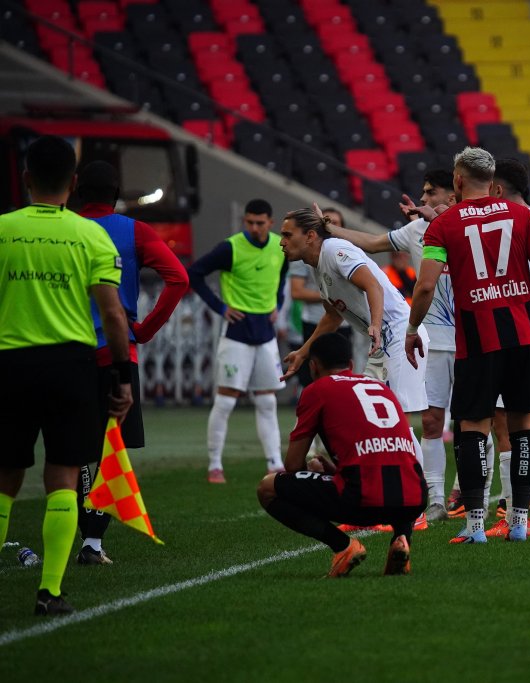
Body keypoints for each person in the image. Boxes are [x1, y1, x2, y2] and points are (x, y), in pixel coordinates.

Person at [0, 135, 132, 615]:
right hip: (71, 365)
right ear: (74, 184)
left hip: (10, 361)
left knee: (5, 476)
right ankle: (49, 591)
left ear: (26, 177)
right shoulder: (90, 235)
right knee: (63, 475)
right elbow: (113, 315)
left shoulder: (3, 229)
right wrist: (121, 376)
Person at [405, 146, 530, 544]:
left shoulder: (444, 224)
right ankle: (521, 523)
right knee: (524, 425)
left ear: (457, 180)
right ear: (492, 183)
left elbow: (425, 285)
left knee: (472, 427)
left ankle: (475, 525)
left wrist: (412, 328)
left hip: (477, 337)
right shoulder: (522, 215)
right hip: (524, 332)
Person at [73, 161, 189, 565]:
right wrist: (146, 329)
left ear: (75, 189)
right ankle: (92, 544)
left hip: (61, 353)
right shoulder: (132, 230)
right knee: (108, 452)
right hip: (115, 353)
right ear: (116, 193)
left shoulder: (62, 229)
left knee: (67, 453)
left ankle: (71, 539)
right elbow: (178, 278)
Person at [329, 169, 458, 521]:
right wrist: (331, 229)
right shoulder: (416, 230)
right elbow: (371, 243)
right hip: (428, 338)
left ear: (452, 195)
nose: (424, 198)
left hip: (472, 338)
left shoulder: (466, 227)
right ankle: (434, 500)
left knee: (473, 422)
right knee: (431, 421)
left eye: (431, 192)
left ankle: (475, 496)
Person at [278, 206, 430, 487]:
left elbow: (373, 285)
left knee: (396, 424)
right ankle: (375, 495)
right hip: (382, 342)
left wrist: (373, 323)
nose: (281, 241)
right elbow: (333, 316)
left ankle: (414, 503)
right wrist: (304, 351)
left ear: (310, 235)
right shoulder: (317, 265)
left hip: (400, 335)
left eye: (288, 234)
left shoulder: (335, 250)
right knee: (369, 422)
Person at [257, 334, 427, 576]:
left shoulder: (317, 390)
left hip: (363, 499)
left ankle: (344, 546)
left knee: (268, 488)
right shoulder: (379, 387)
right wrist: (337, 471)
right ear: (350, 364)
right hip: (415, 499)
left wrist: (316, 470)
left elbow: (292, 465)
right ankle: (400, 538)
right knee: (397, 471)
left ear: (313, 366)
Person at [484, 157, 530, 538]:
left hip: (514, 322)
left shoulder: (508, 219)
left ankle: (514, 511)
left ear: (498, 189)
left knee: (507, 422)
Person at [188, 199, 289, 483]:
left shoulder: (279, 246)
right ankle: (215, 465)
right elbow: (194, 273)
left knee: (267, 402)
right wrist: (220, 308)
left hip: (266, 335)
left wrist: (277, 304)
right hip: (237, 334)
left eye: (260, 223)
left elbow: (280, 280)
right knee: (225, 401)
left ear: (270, 222)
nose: (254, 228)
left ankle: (274, 463)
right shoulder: (230, 247)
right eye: (250, 222)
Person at [288, 207, 348, 390]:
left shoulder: (347, 254)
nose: (330, 228)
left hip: (346, 324)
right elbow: (296, 292)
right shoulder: (304, 255)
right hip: (314, 321)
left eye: (335, 224)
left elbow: (372, 286)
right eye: (327, 223)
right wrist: (332, 297)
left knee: (342, 380)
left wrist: (375, 323)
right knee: (311, 380)